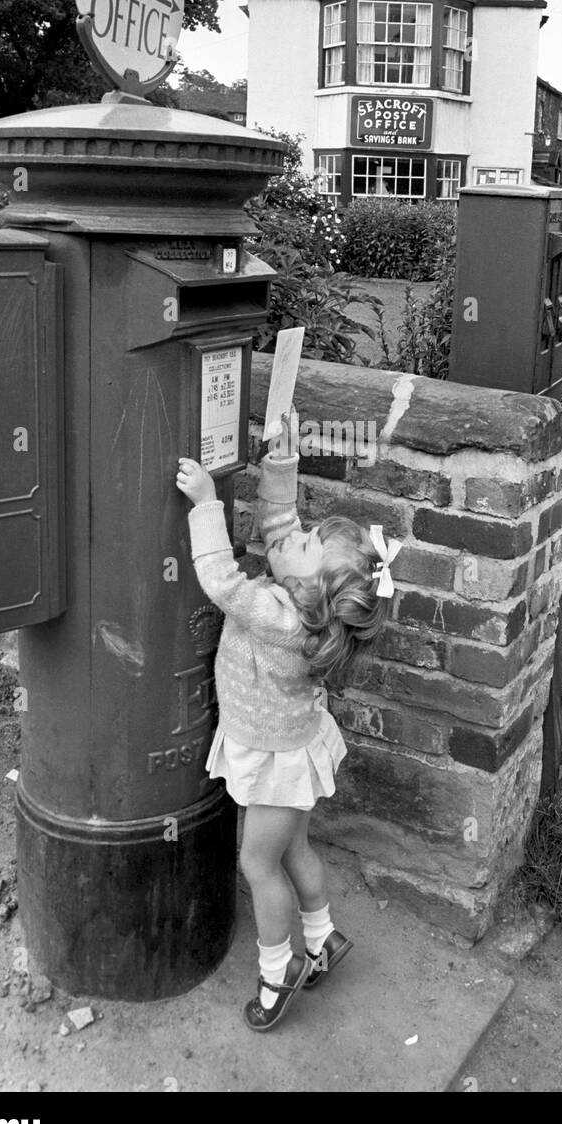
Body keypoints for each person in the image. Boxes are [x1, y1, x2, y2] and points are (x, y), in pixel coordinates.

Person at [174, 412, 400, 1032]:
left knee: (258, 865)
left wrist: (206, 504)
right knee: (295, 847)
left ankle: (279, 974)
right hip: (293, 753)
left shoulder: (277, 617)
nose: (293, 538)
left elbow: (219, 578)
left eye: (304, 547)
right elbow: (280, 525)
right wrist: (282, 457)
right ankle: (324, 938)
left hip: (273, 761)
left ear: (311, 590)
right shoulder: (308, 605)